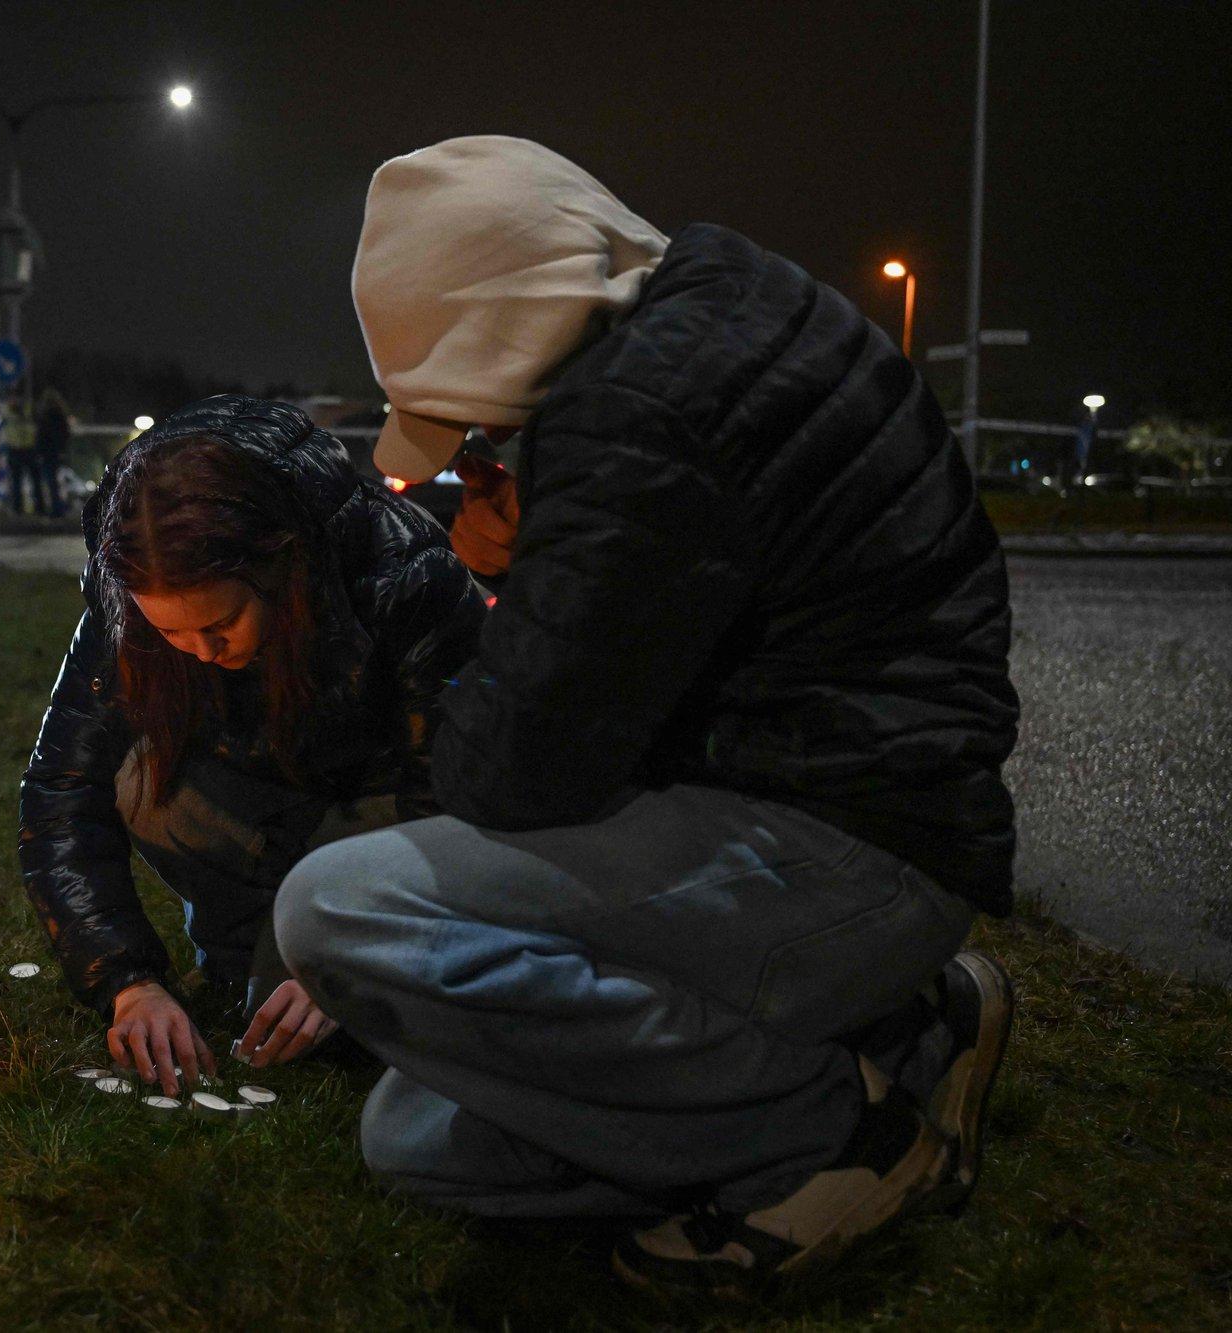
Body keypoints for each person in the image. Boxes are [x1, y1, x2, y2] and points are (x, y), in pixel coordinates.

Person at [273, 137, 1020, 1296]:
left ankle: (831, 1138)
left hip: (844, 848)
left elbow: (508, 775)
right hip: (860, 816)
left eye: (466, 422)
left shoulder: (633, 421)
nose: (476, 454)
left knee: (334, 908)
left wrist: (506, 575)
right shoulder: (722, 295)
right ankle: (902, 1036)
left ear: (498, 327)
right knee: (412, 1139)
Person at [18, 395, 487, 1099]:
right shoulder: (124, 607)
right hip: (255, 806)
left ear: (280, 571)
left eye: (221, 623)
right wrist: (126, 980)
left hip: (371, 812)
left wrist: (351, 957)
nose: (200, 653)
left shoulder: (404, 574)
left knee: (350, 1016)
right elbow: (60, 789)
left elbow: (449, 792)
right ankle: (249, 954)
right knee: (141, 780)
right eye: (171, 633)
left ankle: (308, 948)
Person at [33, 387, 73, 518]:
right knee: (56, 481)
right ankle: (58, 507)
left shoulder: (44, 416)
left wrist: (39, 451)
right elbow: (64, 434)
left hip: (47, 452)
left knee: (50, 482)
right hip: (55, 452)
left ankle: (54, 508)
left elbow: (41, 436)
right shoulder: (60, 416)